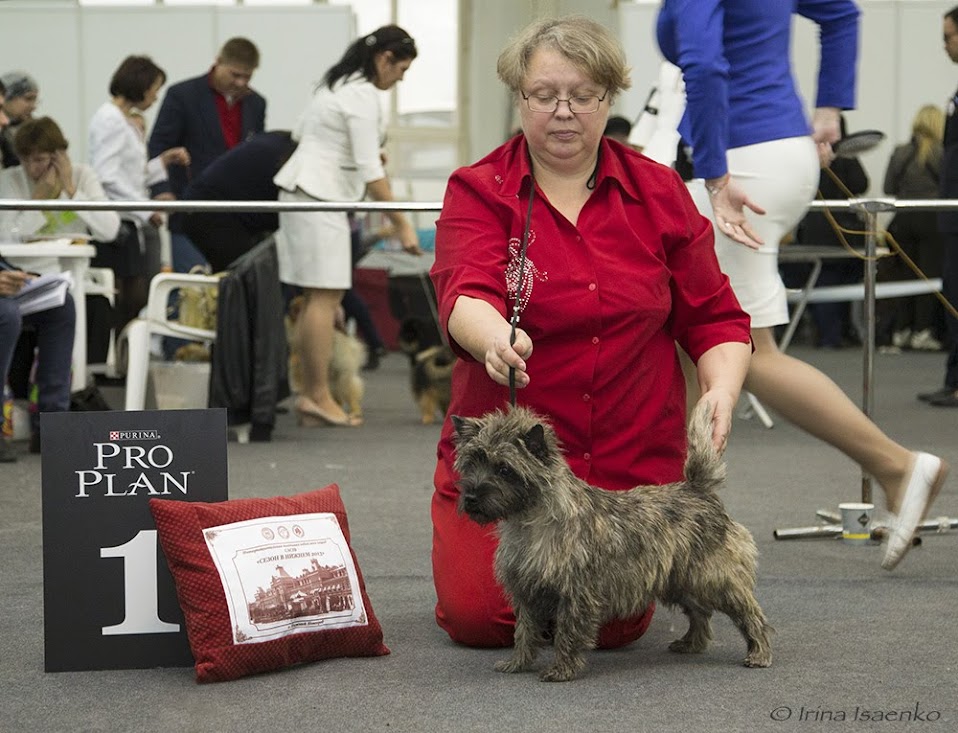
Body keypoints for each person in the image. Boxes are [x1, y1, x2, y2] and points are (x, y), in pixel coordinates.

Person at [428, 15, 752, 649]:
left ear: (610, 97)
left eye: (583, 95)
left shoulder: (659, 191)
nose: (564, 112)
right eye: (543, 95)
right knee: (483, 618)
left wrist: (721, 390)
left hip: (629, 478)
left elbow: (716, 316)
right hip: (510, 472)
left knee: (610, 626)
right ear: (519, 97)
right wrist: (494, 337)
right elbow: (465, 291)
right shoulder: (478, 188)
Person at [657, 0, 949, 570]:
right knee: (695, 345)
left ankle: (896, 466)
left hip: (738, 158)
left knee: (738, 349)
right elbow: (841, 14)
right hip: (775, 148)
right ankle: (680, 519)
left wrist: (715, 174)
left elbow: (705, 64)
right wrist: (829, 109)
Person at [273, 25, 422, 428]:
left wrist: (356, 165)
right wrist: (402, 224)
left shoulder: (336, 84)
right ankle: (317, 395)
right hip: (318, 197)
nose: (401, 78)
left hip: (306, 193)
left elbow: (306, 135)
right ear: (383, 59)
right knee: (325, 298)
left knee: (317, 297)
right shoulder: (362, 93)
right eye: (401, 69)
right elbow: (370, 167)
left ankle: (313, 393)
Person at [0, 107, 89, 462]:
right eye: (32, 160)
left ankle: (52, 423)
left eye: (47, 159)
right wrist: (40, 199)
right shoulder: (9, 182)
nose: (40, 167)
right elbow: (8, 236)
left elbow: (109, 231)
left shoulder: (80, 176)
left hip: (40, 275)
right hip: (13, 272)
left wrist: (68, 191)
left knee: (61, 306)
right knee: (6, 315)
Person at [88, 55, 190, 334]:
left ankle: (124, 362)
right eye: (155, 88)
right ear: (141, 85)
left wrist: (162, 163)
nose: (156, 96)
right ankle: (120, 363)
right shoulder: (111, 120)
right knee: (130, 296)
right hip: (119, 221)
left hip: (129, 216)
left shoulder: (122, 120)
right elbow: (107, 176)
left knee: (136, 295)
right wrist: (146, 209)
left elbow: (130, 173)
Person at [148, 37, 266, 274]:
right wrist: (161, 189)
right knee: (192, 289)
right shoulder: (182, 95)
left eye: (247, 76)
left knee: (235, 290)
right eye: (235, 75)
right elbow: (159, 145)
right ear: (218, 62)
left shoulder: (257, 103)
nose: (241, 82)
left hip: (238, 216)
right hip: (191, 210)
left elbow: (257, 155)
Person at [789, 114, 868, 350]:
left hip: (815, 230)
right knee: (836, 284)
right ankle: (832, 336)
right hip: (844, 233)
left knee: (824, 284)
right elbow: (861, 184)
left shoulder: (805, 156)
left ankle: (830, 335)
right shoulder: (846, 156)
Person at [180, 130, 296, 272]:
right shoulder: (290, 158)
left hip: (205, 206)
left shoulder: (282, 143)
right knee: (245, 281)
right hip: (212, 211)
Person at [880, 104, 945, 352]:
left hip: (902, 220)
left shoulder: (900, 152)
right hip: (932, 221)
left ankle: (901, 330)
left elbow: (888, 187)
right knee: (927, 278)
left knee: (903, 276)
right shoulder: (941, 153)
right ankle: (923, 331)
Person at [918, 6, 958, 408]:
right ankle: (954, 377)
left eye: (948, 36)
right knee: (952, 296)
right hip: (950, 213)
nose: (944, 45)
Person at [0, 71, 39, 168]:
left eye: (35, 100)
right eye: (28, 99)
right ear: (7, 98)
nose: (33, 106)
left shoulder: (35, 130)